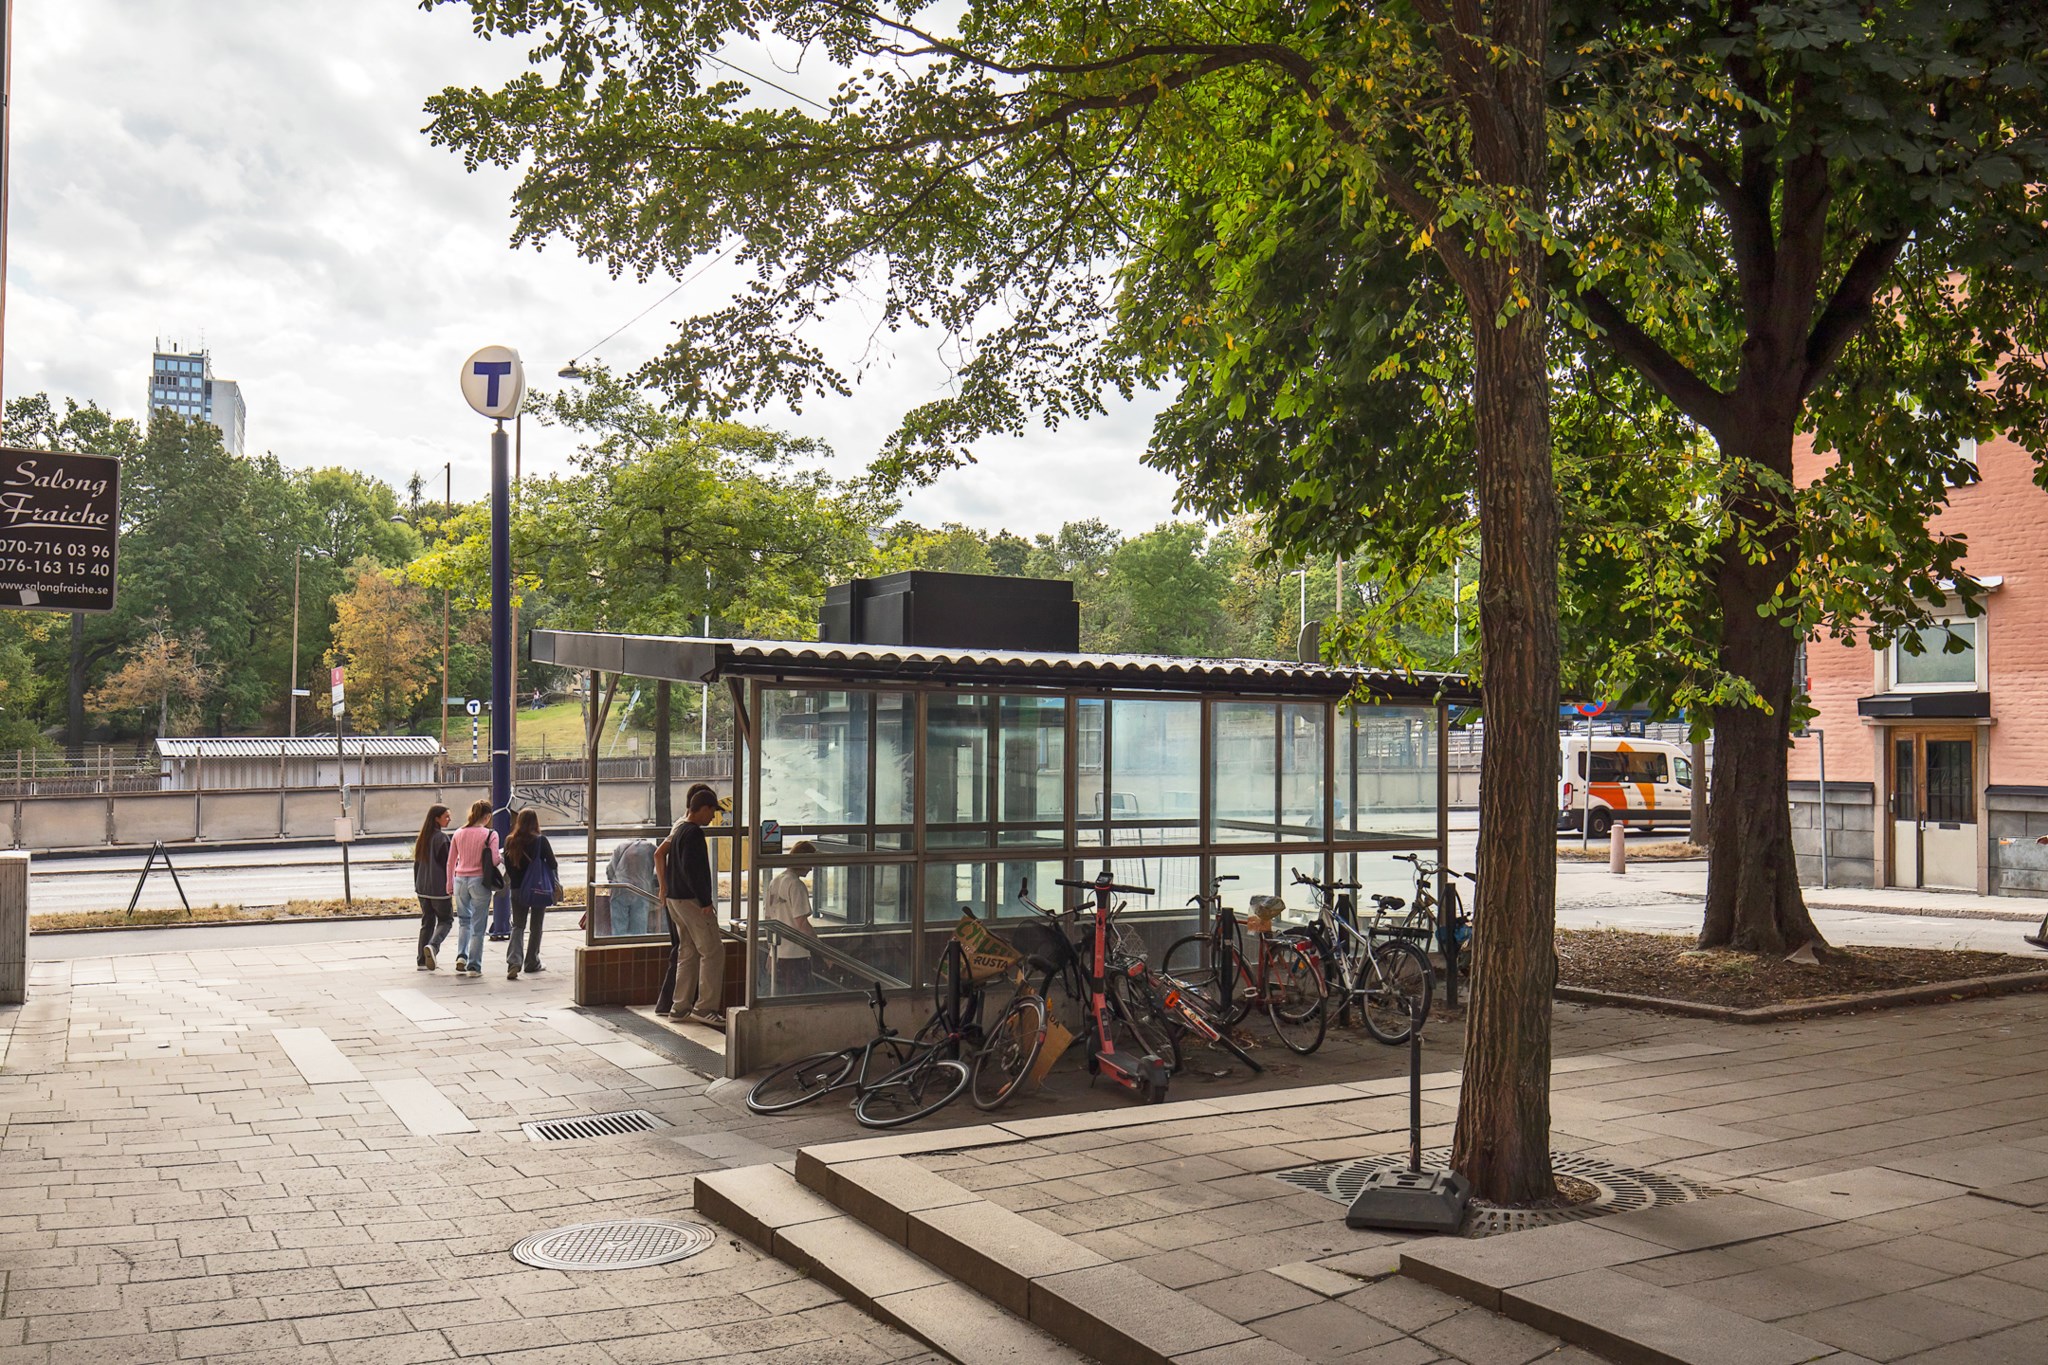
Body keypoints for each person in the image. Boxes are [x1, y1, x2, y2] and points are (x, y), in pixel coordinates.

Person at [656, 784, 724, 1027]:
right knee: (713, 951)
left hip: (675, 900)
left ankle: (679, 1006)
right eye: (712, 811)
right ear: (702, 808)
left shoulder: (680, 828)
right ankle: (705, 1007)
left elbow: (664, 858)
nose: (713, 816)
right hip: (692, 902)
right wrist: (706, 901)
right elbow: (693, 870)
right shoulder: (694, 832)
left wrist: (664, 888)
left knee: (688, 951)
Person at [501, 808, 560, 980]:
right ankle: (532, 962)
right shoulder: (540, 841)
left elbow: (508, 865)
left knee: (518, 926)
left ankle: (514, 962)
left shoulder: (510, 841)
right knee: (536, 926)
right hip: (538, 889)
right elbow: (553, 863)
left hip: (517, 889)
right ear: (535, 822)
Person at [445, 799, 501, 977]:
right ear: (487, 816)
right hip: (479, 882)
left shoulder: (458, 833)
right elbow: (494, 861)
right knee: (478, 926)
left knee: (463, 921)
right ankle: (474, 966)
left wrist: (449, 883)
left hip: (460, 879)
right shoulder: (490, 834)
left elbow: (450, 861)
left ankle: (461, 956)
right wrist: (500, 857)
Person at [762, 841, 817, 994]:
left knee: (780, 998)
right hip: (796, 954)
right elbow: (802, 924)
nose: (811, 869)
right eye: (810, 864)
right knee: (799, 999)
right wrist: (821, 949)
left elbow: (769, 919)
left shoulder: (775, 882)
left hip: (778, 953)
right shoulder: (796, 885)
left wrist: (771, 952)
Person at [412, 804, 454, 971]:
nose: (449, 819)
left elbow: (416, 865)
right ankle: (433, 947)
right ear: (437, 818)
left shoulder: (422, 838)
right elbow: (448, 864)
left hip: (422, 888)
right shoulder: (442, 839)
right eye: (446, 816)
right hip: (439, 889)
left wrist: (417, 884)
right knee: (446, 920)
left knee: (427, 922)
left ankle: (422, 960)